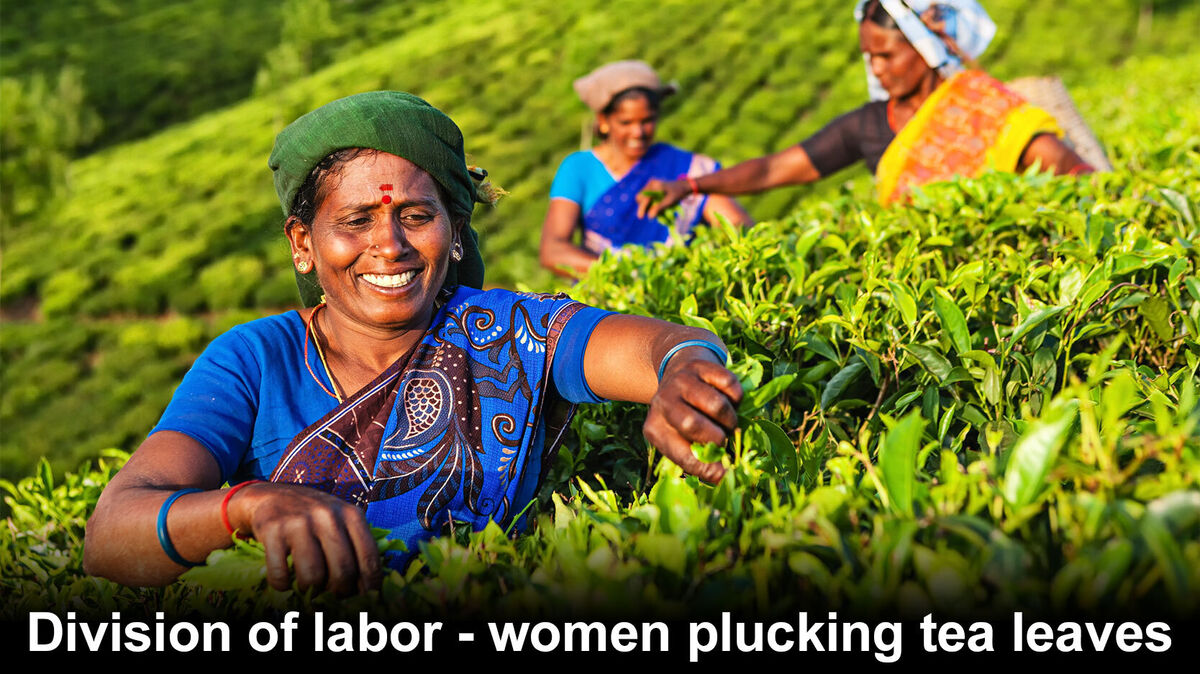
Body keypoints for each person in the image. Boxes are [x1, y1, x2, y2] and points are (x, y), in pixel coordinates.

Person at [83, 91, 744, 595]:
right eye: (355, 221)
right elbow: (112, 536)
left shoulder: (508, 330)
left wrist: (682, 370)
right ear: (303, 244)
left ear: (455, 234)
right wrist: (249, 506)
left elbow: (659, 346)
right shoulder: (254, 361)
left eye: (417, 216)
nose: (390, 246)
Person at [637, 0, 1092, 216]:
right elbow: (775, 170)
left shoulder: (980, 108)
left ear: (925, 49)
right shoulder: (870, 125)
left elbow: (1056, 160)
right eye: (868, 56)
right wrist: (691, 185)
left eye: (887, 55)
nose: (875, 68)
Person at [540, 60, 751, 278]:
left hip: (676, 289)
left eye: (647, 121)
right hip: (606, 301)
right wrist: (628, 275)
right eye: (626, 122)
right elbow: (553, 250)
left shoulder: (688, 168)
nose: (638, 132)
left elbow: (738, 228)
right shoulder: (579, 168)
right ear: (604, 120)